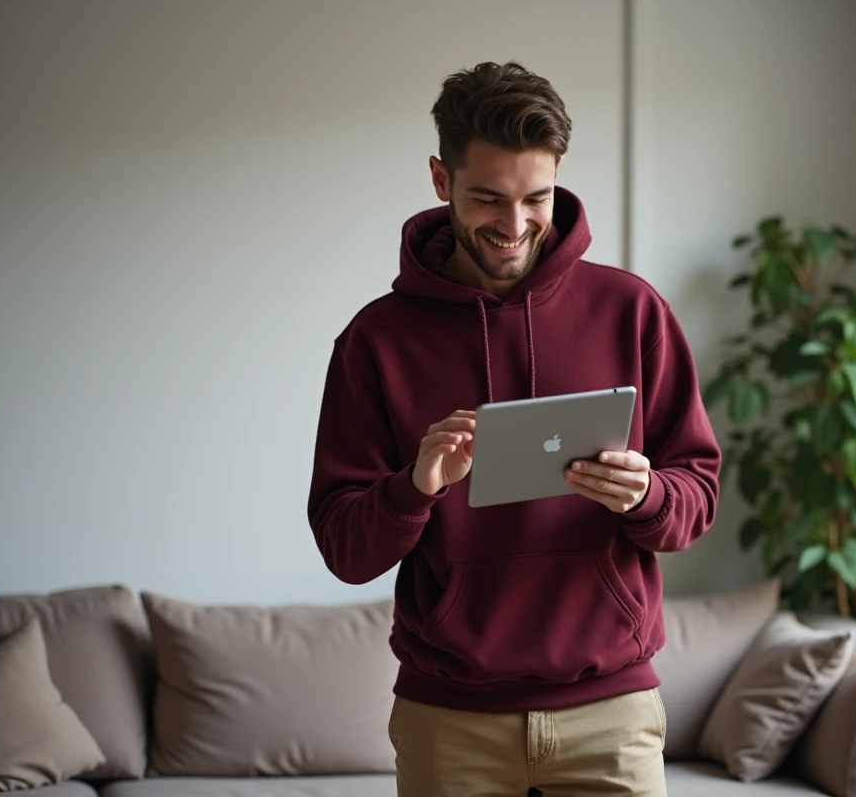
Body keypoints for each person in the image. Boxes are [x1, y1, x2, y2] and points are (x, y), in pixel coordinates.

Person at [307, 60, 720, 797]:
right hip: (451, 716)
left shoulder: (633, 312)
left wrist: (646, 496)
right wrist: (414, 488)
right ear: (441, 180)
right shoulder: (377, 342)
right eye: (488, 198)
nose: (516, 223)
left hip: (612, 710)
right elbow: (344, 546)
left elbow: (697, 497)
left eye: (539, 197)